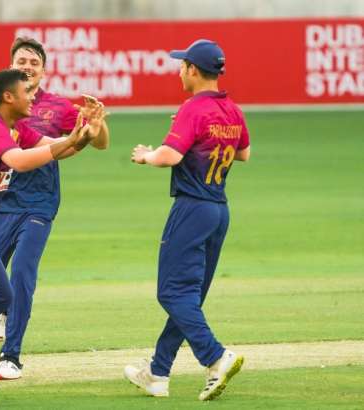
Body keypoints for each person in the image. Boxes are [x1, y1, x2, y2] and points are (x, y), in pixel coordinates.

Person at [124, 39, 250, 401]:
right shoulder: (232, 109)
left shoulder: (193, 109)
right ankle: (158, 373)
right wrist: (197, 134)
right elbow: (243, 153)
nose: (179, 70)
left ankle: (215, 356)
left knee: (172, 292)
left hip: (192, 208)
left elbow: (169, 157)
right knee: (188, 297)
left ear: (193, 70)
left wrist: (147, 155)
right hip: (218, 210)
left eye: (182, 65)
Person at [0, 37, 110, 380]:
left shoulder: (58, 106)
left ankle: (10, 356)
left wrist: (95, 122)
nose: (27, 67)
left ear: (43, 70)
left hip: (39, 203)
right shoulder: (1, 103)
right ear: (10, 65)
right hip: (0, 202)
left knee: (23, 274)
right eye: (21, 61)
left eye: (33, 62)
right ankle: (3, 309)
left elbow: (98, 143)